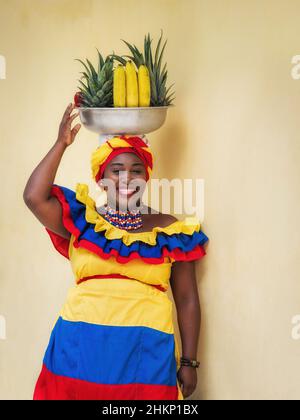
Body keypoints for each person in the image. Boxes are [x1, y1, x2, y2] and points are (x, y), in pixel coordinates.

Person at [23, 103, 209, 400]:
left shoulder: (171, 229)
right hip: (79, 352)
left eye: (136, 170)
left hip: (144, 352)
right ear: (101, 177)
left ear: (146, 177)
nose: (126, 178)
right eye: (116, 170)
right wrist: (62, 143)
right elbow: (34, 197)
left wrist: (189, 361)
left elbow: (187, 299)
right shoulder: (84, 221)